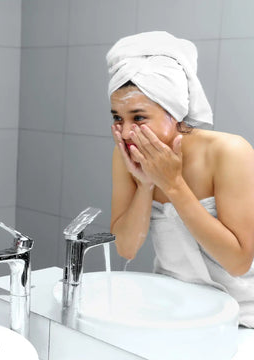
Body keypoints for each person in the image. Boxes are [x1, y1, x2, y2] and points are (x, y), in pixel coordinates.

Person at [107, 31, 254, 328]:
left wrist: (173, 185)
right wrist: (146, 185)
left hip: (240, 319)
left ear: (173, 112)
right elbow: (126, 248)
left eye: (138, 117)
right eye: (117, 118)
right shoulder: (126, 155)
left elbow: (238, 262)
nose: (124, 132)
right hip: (172, 309)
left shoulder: (229, 151)